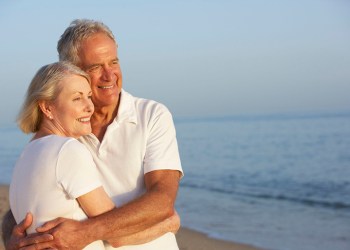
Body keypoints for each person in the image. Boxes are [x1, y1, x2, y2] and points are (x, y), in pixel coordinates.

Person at [3, 19, 183, 249]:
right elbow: (33, 197)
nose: (110, 75)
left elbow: (162, 200)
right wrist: (12, 238)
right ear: (71, 70)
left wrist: (86, 232)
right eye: (95, 67)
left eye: (114, 62)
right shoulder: (65, 139)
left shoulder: (151, 115)